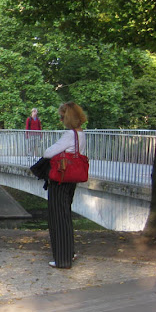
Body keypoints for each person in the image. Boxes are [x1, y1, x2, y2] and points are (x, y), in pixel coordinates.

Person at [43, 101, 87, 269]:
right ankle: (69, 252)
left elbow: (48, 153)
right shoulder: (80, 134)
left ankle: (62, 259)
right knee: (65, 216)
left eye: (62, 117)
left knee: (57, 218)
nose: (60, 120)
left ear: (67, 117)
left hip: (60, 180)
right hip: (72, 179)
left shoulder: (69, 135)